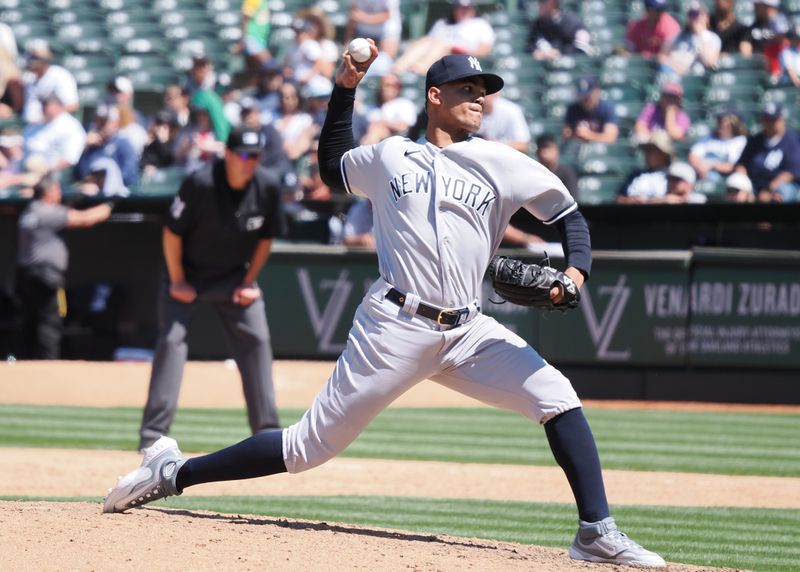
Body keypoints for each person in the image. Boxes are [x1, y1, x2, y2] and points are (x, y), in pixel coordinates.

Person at [103, 48, 667, 569]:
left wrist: (574, 274)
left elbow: (570, 219)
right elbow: (331, 166)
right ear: (434, 96)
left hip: (469, 330)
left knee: (558, 397)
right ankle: (173, 471)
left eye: (484, 89)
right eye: (467, 87)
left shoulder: (503, 162)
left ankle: (595, 531)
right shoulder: (391, 155)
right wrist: (346, 86)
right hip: (394, 325)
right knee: (303, 449)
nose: (479, 98)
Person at [136, 126, 285, 451]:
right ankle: (152, 438)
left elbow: (266, 238)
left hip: (233, 278)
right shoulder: (200, 182)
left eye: (256, 156)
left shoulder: (267, 186)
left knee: (257, 339)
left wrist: (249, 281)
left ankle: (267, 435)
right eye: (244, 155)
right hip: (186, 274)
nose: (250, 162)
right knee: (172, 343)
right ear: (228, 154)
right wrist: (177, 280)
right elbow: (172, 233)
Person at [15, 175, 112, 359]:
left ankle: (25, 363)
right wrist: (110, 205)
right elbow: (85, 218)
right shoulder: (47, 211)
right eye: (57, 191)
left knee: (29, 322)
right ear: (48, 193)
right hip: (46, 277)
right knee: (51, 321)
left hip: (25, 276)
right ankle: (48, 366)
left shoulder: (29, 211)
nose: (59, 195)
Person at [393, 0, 494, 75]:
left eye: (466, 8)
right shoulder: (442, 23)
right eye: (459, 7)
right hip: (436, 52)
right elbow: (428, 42)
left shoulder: (480, 24)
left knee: (442, 45)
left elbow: (484, 49)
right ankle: (397, 69)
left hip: (460, 56)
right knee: (424, 42)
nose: (463, 10)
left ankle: (419, 70)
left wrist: (466, 53)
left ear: (473, 9)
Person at [735, 101, 800, 203]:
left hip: (782, 185)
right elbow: (741, 164)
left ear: (781, 120)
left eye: (772, 119)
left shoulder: (792, 140)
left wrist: (768, 189)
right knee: (736, 186)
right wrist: (742, 181)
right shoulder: (755, 140)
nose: (769, 123)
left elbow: (791, 173)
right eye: (766, 119)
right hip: (755, 184)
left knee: (781, 193)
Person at [74, 104, 140, 188]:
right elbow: (79, 173)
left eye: (105, 122)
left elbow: (128, 175)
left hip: (118, 196)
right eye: (99, 121)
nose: (101, 125)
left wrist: (99, 182)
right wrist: (84, 147)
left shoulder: (123, 143)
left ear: (115, 123)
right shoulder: (90, 144)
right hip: (90, 194)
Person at [22, 94, 86, 177]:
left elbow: (70, 159)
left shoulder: (71, 126)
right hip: (25, 167)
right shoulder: (36, 124)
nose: (43, 107)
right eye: (43, 104)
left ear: (58, 106)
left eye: (47, 104)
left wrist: (47, 171)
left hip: (50, 173)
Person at [21, 39, 79, 124]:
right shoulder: (28, 77)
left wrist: (51, 114)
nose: (32, 62)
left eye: (35, 58)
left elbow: (72, 105)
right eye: (31, 58)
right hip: (29, 127)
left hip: (53, 126)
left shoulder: (59, 75)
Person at [658, 1, 721, 78]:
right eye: (691, 14)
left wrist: (699, 34)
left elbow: (709, 62)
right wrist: (676, 68)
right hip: (675, 75)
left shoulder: (712, 38)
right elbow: (661, 57)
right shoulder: (679, 36)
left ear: (706, 17)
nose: (694, 18)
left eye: (697, 14)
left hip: (697, 78)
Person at [688, 109, 747, 182]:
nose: (721, 124)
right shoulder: (709, 137)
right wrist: (700, 167)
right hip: (702, 175)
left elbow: (734, 166)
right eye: (719, 120)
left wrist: (711, 166)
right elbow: (693, 155)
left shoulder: (740, 141)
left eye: (724, 121)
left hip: (726, 179)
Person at [617, 130, 674, 203]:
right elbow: (619, 199)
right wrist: (630, 201)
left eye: (652, 151)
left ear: (663, 154)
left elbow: (675, 199)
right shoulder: (636, 175)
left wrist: (648, 201)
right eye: (647, 151)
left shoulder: (673, 177)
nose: (647, 154)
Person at [526, 0, 592, 61]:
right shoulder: (536, 25)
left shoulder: (573, 23)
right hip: (543, 70)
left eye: (543, 1)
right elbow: (529, 46)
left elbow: (582, 49)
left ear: (553, 2)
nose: (539, 5)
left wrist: (559, 52)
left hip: (568, 68)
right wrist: (535, 52)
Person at [562, 77, 618, 146]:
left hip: (601, 151)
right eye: (582, 95)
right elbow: (567, 135)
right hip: (578, 150)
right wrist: (576, 135)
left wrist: (589, 135)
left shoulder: (607, 108)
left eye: (588, 94)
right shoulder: (572, 109)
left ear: (597, 91)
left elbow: (610, 138)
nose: (585, 98)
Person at [535, 133, 578, 198]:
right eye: (542, 147)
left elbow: (572, 199)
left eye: (548, 147)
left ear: (556, 150)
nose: (545, 151)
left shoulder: (566, 173)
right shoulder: (534, 172)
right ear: (537, 152)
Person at [779, 22, 800, 86]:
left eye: (796, 38)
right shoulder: (786, 53)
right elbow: (790, 71)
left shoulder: (798, 51)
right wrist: (798, 82)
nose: (795, 40)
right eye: (793, 38)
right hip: (790, 83)